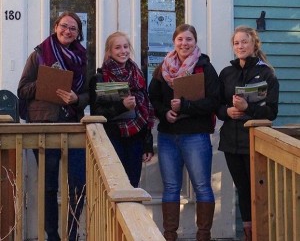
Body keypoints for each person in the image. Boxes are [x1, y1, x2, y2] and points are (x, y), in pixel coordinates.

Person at [18, 11, 88, 241]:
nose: (67, 31)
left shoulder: (83, 57)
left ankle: (72, 232)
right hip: (45, 126)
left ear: (78, 34)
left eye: (73, 29)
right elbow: (22, 90)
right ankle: (52, 235)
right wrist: (45, 82)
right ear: (56, 26)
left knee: (77, 185)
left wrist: (77, 99)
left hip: (73, 127)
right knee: (49, 187)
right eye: (64, 26)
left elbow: (89, 93)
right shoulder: (38, 55)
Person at [148, 24, 220, 241]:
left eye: (188, 39)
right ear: (174, 42)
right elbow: (154, 97)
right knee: (170, 188)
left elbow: (214, 101)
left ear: (195, 42)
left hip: (195, 135)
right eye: (180, 39)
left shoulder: (204, 68)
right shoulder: (163, 68)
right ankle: (170, 236)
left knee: (202, 187)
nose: (184, 43)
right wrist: (164, 113)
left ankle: (203, 236)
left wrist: (185, 107)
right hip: (168, 136)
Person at [217, 26, 279, 241]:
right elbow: (216, 105)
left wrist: (247, 109)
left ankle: (262, 234)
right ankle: (248, 233)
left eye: (244, 42)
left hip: (254, 141)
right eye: (236, 43)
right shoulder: (227, 73)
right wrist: (227, 111)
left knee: (257, 190)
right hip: (230, 141)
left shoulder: (266, 73)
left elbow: (271, 111)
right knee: (242, 189)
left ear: (254, 44)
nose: (240, 46)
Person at [89, 31, 155, 188]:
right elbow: (97, 113)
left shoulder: (138, 75)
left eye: (125, 46)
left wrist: (147, 144)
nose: (123, 51)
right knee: (116, 186)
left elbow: (145, 110)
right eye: (117, 48)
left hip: (136, 139)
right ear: (110, 52)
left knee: (132, 185)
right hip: (113, 138)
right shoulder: (101, 78)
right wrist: (122, 106)